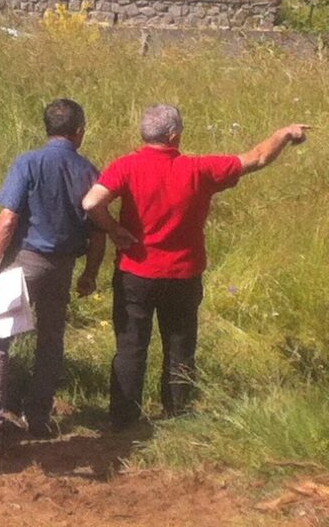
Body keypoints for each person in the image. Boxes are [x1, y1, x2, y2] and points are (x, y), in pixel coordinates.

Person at [83, 105, 309, 427]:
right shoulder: (198, 169)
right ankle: (176, 413)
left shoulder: (126, 166)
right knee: (180, 346)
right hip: (183, 273)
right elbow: (258, 158)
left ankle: (123, 418)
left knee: (131, 346)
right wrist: (283, 134)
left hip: (136, 272)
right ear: (174, 135)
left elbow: (91, 202)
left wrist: (113, 229)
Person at [0, 98, 104, 441]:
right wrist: (90, 273)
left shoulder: (29, 162)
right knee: (51, 340)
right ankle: (38, 416)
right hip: (64, 265)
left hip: (25, 261)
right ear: (79, 131)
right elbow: (99, 231)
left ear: (47, 128)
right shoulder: (89, 171)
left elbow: (8, 219)